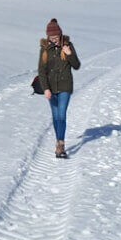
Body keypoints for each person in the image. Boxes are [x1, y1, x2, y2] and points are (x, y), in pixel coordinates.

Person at [38, 18, 80, 158]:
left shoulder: (68, 45)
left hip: (65, 87)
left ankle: (61, 145)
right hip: (51, 87)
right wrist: (46, 89)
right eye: (51, 37)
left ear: (60, 35)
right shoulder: (45, 49)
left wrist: (69, 54)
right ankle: (58, 141)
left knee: (61, 115)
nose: (54, 39)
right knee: (55, 117)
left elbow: (76, 65)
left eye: (56, 37)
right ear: (48, 36)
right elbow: (41, 71)